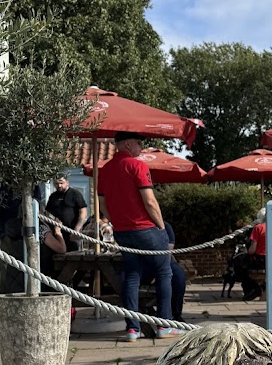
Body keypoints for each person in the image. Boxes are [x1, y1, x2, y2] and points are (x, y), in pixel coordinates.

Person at [98, 131, 177, 342]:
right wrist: (161, 226)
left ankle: (133, 328)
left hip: (122, 231)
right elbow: (150, 201)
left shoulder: (104, 170)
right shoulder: (137, 166)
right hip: (146, 229)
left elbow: (102, 203)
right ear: (128, 144)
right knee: (164, 272)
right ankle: (164, 324)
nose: (141, 148)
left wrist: (116, 221)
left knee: (132, 275)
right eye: (139, 144)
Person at [234, 208, 272, 301]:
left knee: (239, 263)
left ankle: (253, 288)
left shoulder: (258, 228)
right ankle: (257, 288)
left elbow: (252, 250)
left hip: (260, 261)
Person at [45, 176, 87, 250]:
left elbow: (83, 213)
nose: (59, 185)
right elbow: (47, 213)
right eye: (57, 184)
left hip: (71, 233)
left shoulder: (75, 194)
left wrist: (77, 229)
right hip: (57, 232)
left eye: (61, 183)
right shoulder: (53, 196)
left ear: (67, 183)